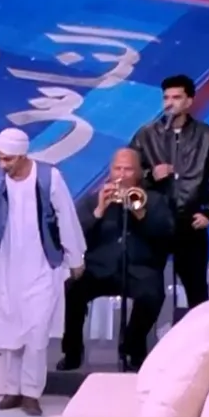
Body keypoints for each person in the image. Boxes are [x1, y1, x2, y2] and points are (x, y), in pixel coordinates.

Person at [0, 128, 86, 416]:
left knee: (36, 333)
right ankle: (12, 390)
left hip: (43, 266)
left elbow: (66, 216)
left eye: (8, 159)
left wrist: (75, 257)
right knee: (10, 330)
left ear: (23, 155)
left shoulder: (49, 177)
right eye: (0, 158)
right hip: (7, 266)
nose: (2, 164)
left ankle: (31, 393)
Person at [60, 148, 173, 372]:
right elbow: (75, 237)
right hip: (99, 270)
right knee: (72, 289)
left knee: (152, 294)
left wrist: (141, 214)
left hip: (139, 270)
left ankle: (132, 347)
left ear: (139, 173)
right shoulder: (92, 200)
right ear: (110, 171)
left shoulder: (156, 201)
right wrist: (99, 211)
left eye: (128, 169)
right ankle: (72, 352)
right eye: (117, 169)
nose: (121, 174)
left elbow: (166, 236)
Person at [128, 74, 209, 310]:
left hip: (190, 223)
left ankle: (202, 334)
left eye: (176, 97)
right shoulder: (146, 135)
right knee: (147, 292)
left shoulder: (206, 136)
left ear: (189, 101)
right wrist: (150, 175)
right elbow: (127, 174)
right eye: (166, 98)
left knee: (197, 291)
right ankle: (139, 336)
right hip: (153, 222)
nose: (169, 103)